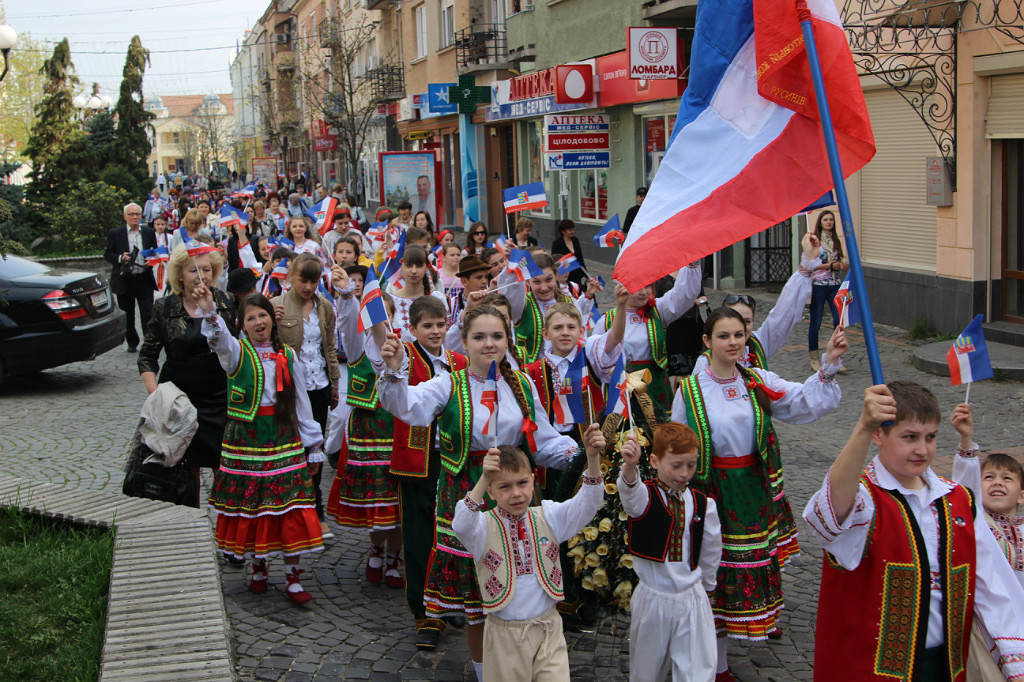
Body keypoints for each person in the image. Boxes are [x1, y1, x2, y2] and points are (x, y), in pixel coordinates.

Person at [376, 304, 582, 679]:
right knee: (478, 600)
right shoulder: (448, 384)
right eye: (480, 337)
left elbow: (542, 441)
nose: (490, 344)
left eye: (497, 336)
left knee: (520, 588)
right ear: (465, 342)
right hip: (467, 495)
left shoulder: (520, 384)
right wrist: (393, 371)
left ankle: (531, 664)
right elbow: (406, 407)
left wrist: (578, 453)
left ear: (508, 340)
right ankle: (488, 674)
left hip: (516, 495)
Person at [802, 381, 1024, 682]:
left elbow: (992, 588)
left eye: (930, 437)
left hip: (944, 667)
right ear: (879, 435)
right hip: (867, 671)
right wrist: (863, 428)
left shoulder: (958, 501)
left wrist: (1015, 666)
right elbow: (829, 517)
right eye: (910, 437)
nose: (922, 449)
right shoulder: (866, 499)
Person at [671, 307, 847, 679]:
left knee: (743, 570)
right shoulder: (689, 390)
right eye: (723, 336)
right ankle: (715, 665)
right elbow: (677, 444)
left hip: (753, 489)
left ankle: (739, 635)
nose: (733, 342)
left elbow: (800, 401)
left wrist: (828, 364)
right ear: (706, 342)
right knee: (713, 575)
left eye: (739, 334)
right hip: (712, 493)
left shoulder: (756, 380)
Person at [198, 291, 325, 604]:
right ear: (242, 325)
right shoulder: (236, 353)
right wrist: (209, 314)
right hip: (248, 439)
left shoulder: (289, 356)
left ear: (273, 318)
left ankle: (293, 577)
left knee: (290, 505)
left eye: (263, 315)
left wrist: (313, 444)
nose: (258, 322)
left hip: (283, 436)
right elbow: (219, 340)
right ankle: (259, 567)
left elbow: (301, 401)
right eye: (251, 317)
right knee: (254, 505)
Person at [451, 429, 607, 682]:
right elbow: (460, 524)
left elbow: (587, 505)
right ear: (490, 492)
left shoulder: (548, 516)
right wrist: (483, 479)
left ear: (533, 481)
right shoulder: (482, 528)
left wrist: (592, 458)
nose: (516, 493)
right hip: (504, 636)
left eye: (522, 483)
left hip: (548, 629)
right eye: (504, 486)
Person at [384, 296, 469, 649]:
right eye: (427, 326)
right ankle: (423, 612)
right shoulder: (405, 357)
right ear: (414, 328)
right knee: (419, 537)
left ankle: (453, 599)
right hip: (416, 463)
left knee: (453, 534)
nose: (435, 331)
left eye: (440, 324)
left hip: (454, 460)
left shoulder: (460, 361)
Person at [617, 423, 722, 682]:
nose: (685, 473)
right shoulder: (645, 497)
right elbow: (630, 494)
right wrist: (630, 467)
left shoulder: (702, 503)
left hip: (691, 597)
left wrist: (708, 589)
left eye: (691, 465)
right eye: (676, 465)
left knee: (697, 671)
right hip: (654, 599)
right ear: (654, 461)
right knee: (646, 671)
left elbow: (710, 551)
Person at [138, 244, 235, 504]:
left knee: (224, 465)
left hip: (219, 398)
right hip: (179, 400)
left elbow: (236, 349)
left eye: (206, 269)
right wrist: (157, 395)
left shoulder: (226, 301)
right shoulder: (164, 307)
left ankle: (230, 525)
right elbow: (147, 355)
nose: (200, 275)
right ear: (179, 274)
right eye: (193, 270)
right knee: (184, 469)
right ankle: (190, 521)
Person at [325, 281, 404, 588]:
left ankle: (395, 557)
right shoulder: (358, 347)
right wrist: (348, 295)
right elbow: (346, 322)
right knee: (376, 500)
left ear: (394, 318)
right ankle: (376, 548)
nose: (380, 321)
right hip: (367, 433)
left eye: (386, 315)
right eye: (373, 315)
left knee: (396, 501)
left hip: (396, 431)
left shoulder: (404, 349)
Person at [272, 253, 340, 540]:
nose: (309, 286)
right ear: (292, 276)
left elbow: (330, 347)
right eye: (303, 279)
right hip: (289, 390)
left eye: (314, 280)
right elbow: (262, 346)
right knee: (290, 450)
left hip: (319, 385)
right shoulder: (276, 305)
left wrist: (335, 384)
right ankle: (288, 512)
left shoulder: (325, 306)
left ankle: (316, 513)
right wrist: (272, 324)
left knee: (314, 450)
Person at [692, 231, 822, 377]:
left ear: (754, 322)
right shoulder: (706, 362)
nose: (739, 327)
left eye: (746, 321)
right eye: (734, 320)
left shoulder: (760, 343)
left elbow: (784, 313)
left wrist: (808, 262)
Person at [596, 263, 703, 411]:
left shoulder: (658, 309)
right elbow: (596, 359)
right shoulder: (606, 321)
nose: (644, 292)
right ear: (623, 287)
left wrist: (692, 263)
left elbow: (684, 295)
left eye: (648, 286)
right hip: (623, 387)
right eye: (638, 287)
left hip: (655, 385)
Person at [950, 403, 1024, 589]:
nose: (997, 482)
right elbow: (965, 488)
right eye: (989, 477)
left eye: (1007, 478)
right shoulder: (978, 523)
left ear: (1021, 496)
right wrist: (966, 437)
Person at [505, 251, 598, 365]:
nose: (544, 287)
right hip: (531, 370)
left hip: (564, 366)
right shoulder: (522, 304)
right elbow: (510, 292)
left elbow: (580, 333)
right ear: (528, 282)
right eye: (537, 281)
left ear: (556, 277)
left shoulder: (569, 301)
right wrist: (512, 262)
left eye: (549, 279)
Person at [105, 202, 158, 353]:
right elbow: (108, 254)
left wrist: (151, 261)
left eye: (137, 214)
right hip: (124, 279)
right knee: (127, 313)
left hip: (143, 277)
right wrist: (121, 258)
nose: (135, 217)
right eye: (131, 214)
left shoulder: (148, 232)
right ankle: (132, 342)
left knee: (147, 312)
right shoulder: (116, 233)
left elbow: (154, 252)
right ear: (125, 216)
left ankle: (149, 342)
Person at [807, 210, 847, 372]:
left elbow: (839, 259)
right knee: (815, 322)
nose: (829, 222)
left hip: (834, 283)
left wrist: (840, 265)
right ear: (820, 222)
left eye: (831, 219)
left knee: (838, 321)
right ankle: (814, 358)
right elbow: (811, 264)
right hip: (819, 284)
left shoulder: (836, 240)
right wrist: (830, 266)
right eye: (826, 219)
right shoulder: (815, 241)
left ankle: (835, 357)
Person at [386, 245, 448, 343]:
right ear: (401, 267)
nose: (414, 271)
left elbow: (445, 336)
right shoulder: (392, 301)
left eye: (419, 266)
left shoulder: (437, 298)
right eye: (409, 265)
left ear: (426, 267)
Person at [550, 219, 587, 289]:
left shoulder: (575, 240)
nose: (572, 232)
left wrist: (586, 275)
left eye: (573, 229)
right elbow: (555, 261)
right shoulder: (557, 243)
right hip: (565, 276)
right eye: (570, 230)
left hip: (577, 275)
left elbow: (580, 259)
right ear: (563, 231)